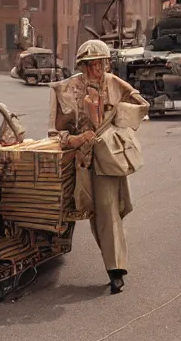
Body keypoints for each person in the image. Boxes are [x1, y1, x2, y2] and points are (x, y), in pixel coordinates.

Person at [48, 39, 149, 294]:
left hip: (111, 157)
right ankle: (113, 266)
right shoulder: (66, 89)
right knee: (97, 213)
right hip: (82, 160)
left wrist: (119, 119)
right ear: (82, 65)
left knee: (110, 211)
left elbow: (140, 104)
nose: (99, 69)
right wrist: (78, 138)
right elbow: (55, 133)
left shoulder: (114, 82)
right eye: (93, 64)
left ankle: (115, 269)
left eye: (102, 63)